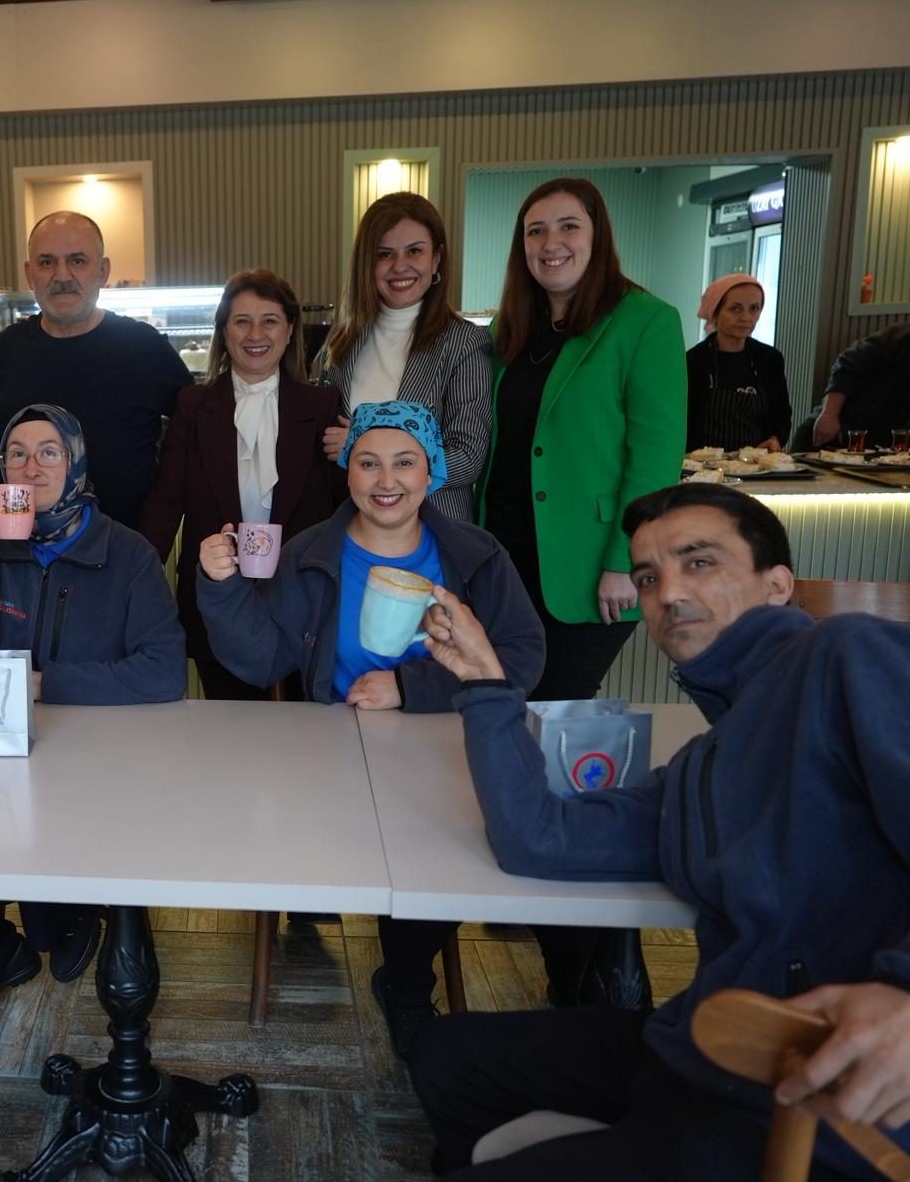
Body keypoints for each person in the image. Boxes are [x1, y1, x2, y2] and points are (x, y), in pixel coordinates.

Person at [407, 482, 910, 1180]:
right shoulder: (702, 768)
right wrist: (486, 683)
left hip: (815, 1111)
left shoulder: (848, 656)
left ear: (777, 585)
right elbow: (538, 838)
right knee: (446, 1057)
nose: (668, 593)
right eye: (647, 577)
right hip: (706, 1057)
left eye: (699, 562)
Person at [195, 401, 543, 1057]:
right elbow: (262, 659)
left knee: (452, 837)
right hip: (329, 758)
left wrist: (411, 686)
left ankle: (405, 982)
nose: (387, 480)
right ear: (348, 472)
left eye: (405, 462)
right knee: (397, 835)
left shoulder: (475, 555)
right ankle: (388, 962)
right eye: (369, 462)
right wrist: (221, 586)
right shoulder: (309, 554)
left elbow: (521, 657)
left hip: (445, 746)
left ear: (431, 472)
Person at [476, 177, 687, 1008]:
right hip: (504, 564)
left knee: (557, 746)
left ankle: (589, 974)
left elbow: (656, 455)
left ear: (597, 235)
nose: (550, 243)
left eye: (567, 227)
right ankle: (560, 930)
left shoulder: (645, 321)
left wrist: (625, 558)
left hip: (588, 571)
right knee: (516, 736)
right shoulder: (514, 332)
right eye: (535, 231)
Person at [0, 403, 187, 1023]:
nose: (31, 467)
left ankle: (70, 913)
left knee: (52, 859)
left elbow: (164, 671)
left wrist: (45, 684)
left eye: (48, 453)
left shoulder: (128, 553)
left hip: (95, 761)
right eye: (16, 454)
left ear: (76, 463)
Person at [137, 268, 343, 700]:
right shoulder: (193, 405)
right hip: (218, 594)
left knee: (307, 723)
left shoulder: (323, 406)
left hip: (303, 595)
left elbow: (344, 505)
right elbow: (166, 500)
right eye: (242, 321)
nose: (255, 334)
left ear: (290, 330)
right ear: (224, 331)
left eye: (270, 321)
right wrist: (135, 575)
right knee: (230, 723)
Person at [0, 211, 191, 526]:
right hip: (22, 547)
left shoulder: (143, 347)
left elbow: (196, 430)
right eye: (46, 262)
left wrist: (161, 518)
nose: (62, 275)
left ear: (103, 271)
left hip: (126, 547)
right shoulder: (6, 351)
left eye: (77, 261)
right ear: (29, 273)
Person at [317, 192, 493, 523]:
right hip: (353, 527)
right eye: (384, 254)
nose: (400, 266)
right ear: (367, 264)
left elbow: (468, 457)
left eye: (414, 251)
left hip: (435, 527)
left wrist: (360, 447)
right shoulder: (341, 340)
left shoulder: (465, 342)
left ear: (436, 259)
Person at [684, 273, 791, 450]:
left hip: (756, 462)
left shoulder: (769, 359)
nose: (746, 318)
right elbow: (684, 420)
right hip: (702, 463)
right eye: (735, 309)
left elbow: (782, 413)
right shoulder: (694, 361)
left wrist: (776, 438)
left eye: (754, 308)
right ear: (715, 313)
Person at [794, 320, 910, 449]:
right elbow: (848, 362)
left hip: (880, 447)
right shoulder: (904, 336)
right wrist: (829, 414)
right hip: (833, 433)